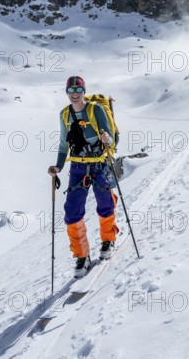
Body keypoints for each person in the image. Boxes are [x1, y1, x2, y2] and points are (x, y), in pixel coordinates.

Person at [48, 76, 119, 277]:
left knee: (105, 203)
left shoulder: (95, 109)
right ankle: (82, 255)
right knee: (72, 210)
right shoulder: (64, 115)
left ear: (83, 89)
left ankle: (108, 239)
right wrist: (58, 167)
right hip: (78, 167)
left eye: (78, 89)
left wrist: (107, 138)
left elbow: (110, 136)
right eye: (70, 90)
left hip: (99, 162)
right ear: (66, 92)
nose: (74, 93)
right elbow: (64, 145)